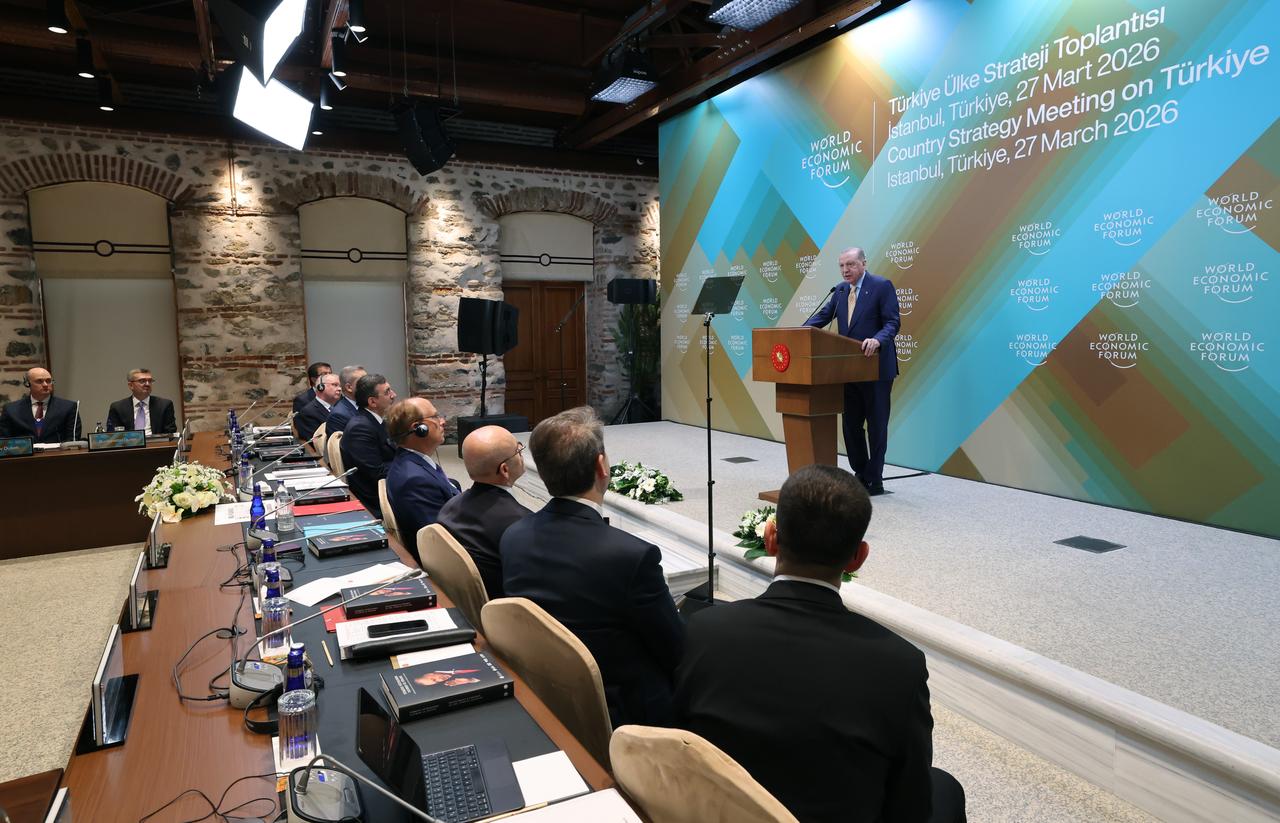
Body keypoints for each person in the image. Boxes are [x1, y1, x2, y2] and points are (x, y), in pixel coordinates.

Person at [672, 465, 965, 823]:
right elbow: (910, 805)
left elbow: (679, 744)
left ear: (771, 538)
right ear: (858, 557)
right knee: (945, 789)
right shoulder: (899, 664)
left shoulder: (705, 629)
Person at [500, 406, 684, 727]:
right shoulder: (632, 555)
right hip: (622, 713)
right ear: (601, 466)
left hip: (545, 692)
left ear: (542, 471)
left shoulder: (513, 536)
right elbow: (676, 652)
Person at [804, 247, 900, 495]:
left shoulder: (881, 286)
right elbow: (823, 317)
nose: (845, 270)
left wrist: (878, 340)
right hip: (848, 370)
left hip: (876, 368)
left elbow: (892, 322)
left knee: (877, 425)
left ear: (863, 263)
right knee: (851, 425)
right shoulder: (840, 291)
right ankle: (860, 472)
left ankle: (875, 479)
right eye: (842, 266)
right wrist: (799, 332)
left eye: (850, 265)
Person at [436, 425, 533, 599]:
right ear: (504, 469)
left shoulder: (449, 507)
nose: (521, 454)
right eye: (518, 451)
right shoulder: (521, 524)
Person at [384, 396, 459, 560]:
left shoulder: (414, 461)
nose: (443, 422)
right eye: (435, 417)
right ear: (419, 428)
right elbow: (440, 540)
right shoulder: (414, 480)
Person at [338, 373, 397, 517]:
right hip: (375, 497)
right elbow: (377, 472)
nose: (394, 395)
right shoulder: (361, 428)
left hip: (388, 482)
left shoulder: (374, 420)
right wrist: (410, 469)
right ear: (372, 402)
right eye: (387, 392)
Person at [0, 367, 81, 444]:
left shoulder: (68, 407)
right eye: (39, 381)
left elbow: (73, 441)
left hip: (57, 455)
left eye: (48, 381)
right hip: (25, 456)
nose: (45, 385)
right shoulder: (11, 410)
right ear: (27, 383)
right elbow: (4, 442)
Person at [105, 368, 177, 435]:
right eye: (142, 381)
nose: (147, 384)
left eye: (150, 381)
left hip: (157, 445)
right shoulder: (118, 407)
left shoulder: (164, 405)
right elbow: (113, 435)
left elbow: (170, 433)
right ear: (131, 386)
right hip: (130, 446)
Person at [296, 372, 340, 442]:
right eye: (335, 385)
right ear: (320, 387)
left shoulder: (341, 407)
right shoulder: (308, 413)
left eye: (340, 385)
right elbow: (316, 442)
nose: (339, 389)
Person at [325, 364, 365, 434]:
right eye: (364, 382)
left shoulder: (368, 405)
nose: (370, 384)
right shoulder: (338, 416)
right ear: (349, 387)